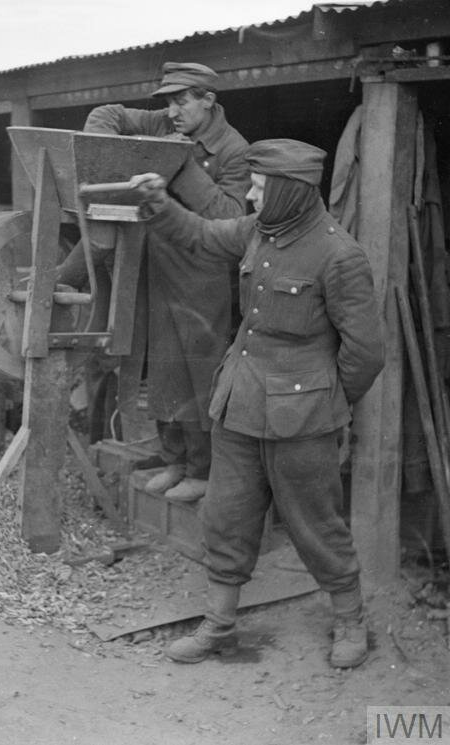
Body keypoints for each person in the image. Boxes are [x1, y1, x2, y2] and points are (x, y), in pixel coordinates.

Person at [130, 139, 385, 669]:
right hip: (240, 405)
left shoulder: (340, 256)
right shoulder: (258, 231)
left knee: (317, 524)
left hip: (303, 421)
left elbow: (365, 354)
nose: (248, 195)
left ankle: (350, 620)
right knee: (226, 518)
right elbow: (201, 236)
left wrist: (323, 405)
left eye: (259, 188)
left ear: (289, 192)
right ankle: (219, 626)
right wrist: (159, 206)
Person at [58, 62, 250, 501]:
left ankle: (203, 470)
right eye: (167, 100)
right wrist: (108, 150)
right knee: (161, 371)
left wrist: (179, 164)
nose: (172, 110)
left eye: (182, 100)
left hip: (201, 274)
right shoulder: (164, 122)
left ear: (209, 100)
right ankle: (175, 459)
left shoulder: (234, 151)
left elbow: (231, 218)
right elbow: (107, 114)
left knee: (198, 374)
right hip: (157, 264)